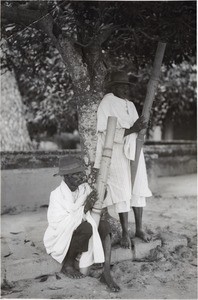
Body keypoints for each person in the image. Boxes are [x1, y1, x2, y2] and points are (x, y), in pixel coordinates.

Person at [94, 70, 152, 249]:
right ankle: (126, 232)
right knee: (122, 190)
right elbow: (104, 131)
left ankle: (140, 228)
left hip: (134, 148)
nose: (125, 90)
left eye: (127, 87)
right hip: (117, 150)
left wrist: (140, 128)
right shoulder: (107, 102)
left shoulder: (131, 105)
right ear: (114, 87)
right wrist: (132, 128)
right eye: (121, 86)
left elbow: (137, 128)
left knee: (138, 187)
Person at [43, 156, 120, 292]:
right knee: (86, 228)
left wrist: (102, 193)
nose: (81, 176)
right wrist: (85, 208)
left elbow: (95, 207)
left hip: (82, 226)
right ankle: (68, 264)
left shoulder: (84, 188)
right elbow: (58, 223)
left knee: (104, 226)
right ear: (66, 177)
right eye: (76, 174)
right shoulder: (56, 195)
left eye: (81, 173)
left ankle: (106, 271)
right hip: (61, 235)